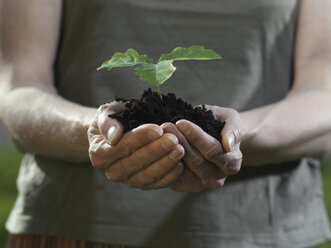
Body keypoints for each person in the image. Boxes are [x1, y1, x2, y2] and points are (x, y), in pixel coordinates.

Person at [1, 0, 331, 247]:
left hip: (262, 231)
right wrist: (94, 130)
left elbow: (323, 95)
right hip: (73, 226)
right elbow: (19, 86)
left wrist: (232, 137)